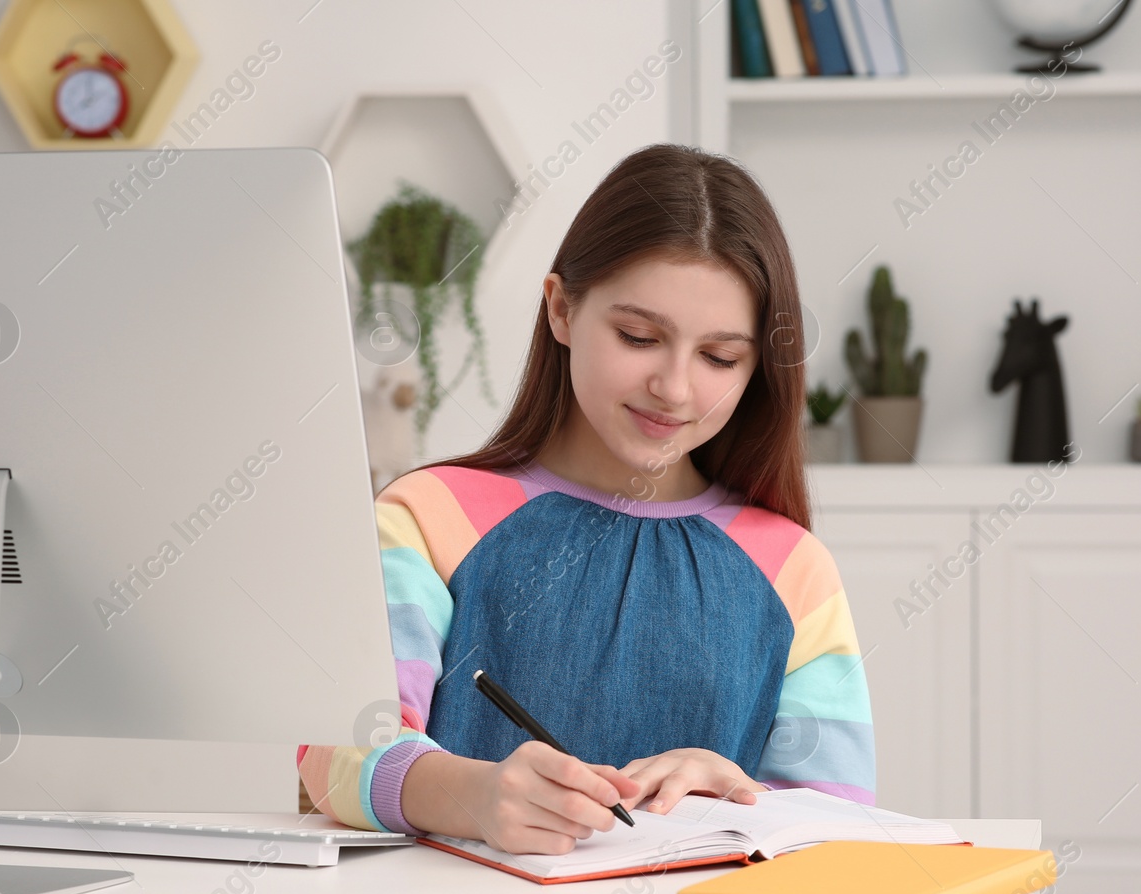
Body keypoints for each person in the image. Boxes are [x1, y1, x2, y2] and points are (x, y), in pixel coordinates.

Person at [298, 143, 874, 855]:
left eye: (720, 357)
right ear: (562, 308)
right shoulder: (429, 518)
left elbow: (844, 825)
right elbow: (329, 759)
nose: (674, 386)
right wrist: (473, 796)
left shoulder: (792, 566)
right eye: (639, 336)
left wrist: (739, 793)